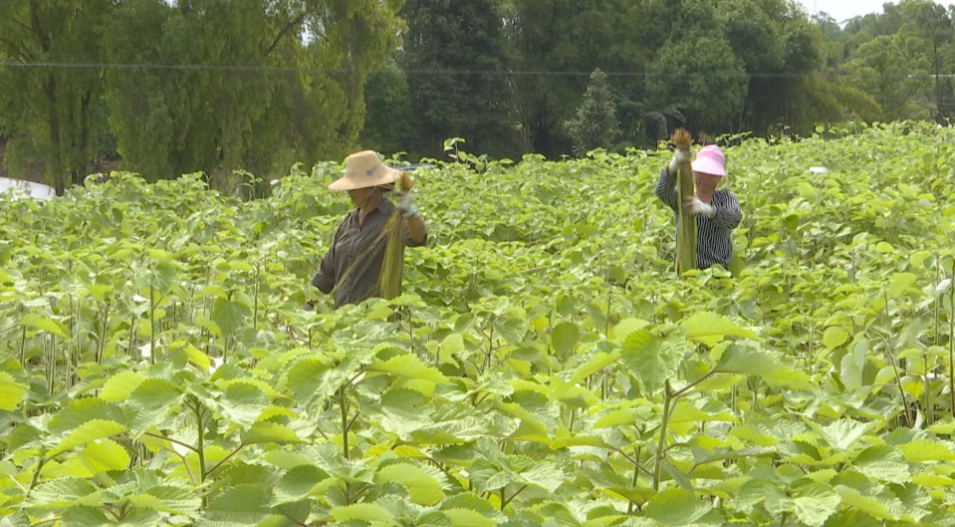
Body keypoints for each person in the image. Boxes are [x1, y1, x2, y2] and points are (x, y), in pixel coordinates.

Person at [308, 151, 428, 309]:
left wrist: (411, 213)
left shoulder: (392, 219)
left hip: (378, 320)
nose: (349, 192)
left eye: (355, 187)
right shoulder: (347, 223)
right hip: (344, 320)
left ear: (373, 187)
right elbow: (326, 273)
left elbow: (418, 238)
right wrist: (308, 305)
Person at [655, 144, 741, 270]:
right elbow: (662, 192)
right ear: (694, 172)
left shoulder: (725, 197)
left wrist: (709, 210)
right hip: (686, 270)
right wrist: (673, 166)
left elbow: (734, 218)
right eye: (702, 173)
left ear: (719, 178)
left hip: (718, 271)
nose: (706, 178)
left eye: (712, 174)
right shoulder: (685, 197)